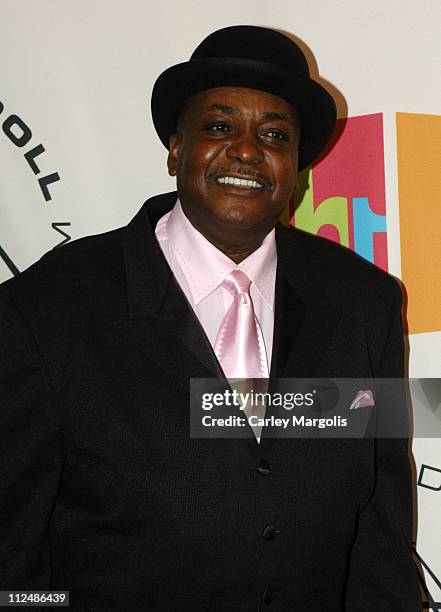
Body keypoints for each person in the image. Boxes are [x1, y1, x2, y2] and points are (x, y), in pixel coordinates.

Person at [0, 25, 422, 610]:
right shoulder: (48, 307)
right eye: (219, 126)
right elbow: (12, 557)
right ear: (176, 149)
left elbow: (379, 531)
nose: (247, 150)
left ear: (296, 166)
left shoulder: (364, 303)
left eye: (275, 134)